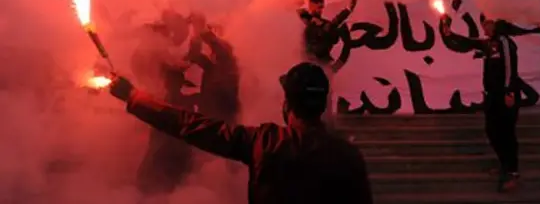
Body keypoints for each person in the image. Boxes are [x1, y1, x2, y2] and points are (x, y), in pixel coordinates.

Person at [107, 62, 373, 204]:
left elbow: (191, 125)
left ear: (287, 104)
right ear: (323, 105)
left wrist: (133, 96)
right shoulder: (348, 156)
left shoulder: (266, 142)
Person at [440, 15, 521, 192]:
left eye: (487, 24)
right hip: (492, 96)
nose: (484, 27)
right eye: (483, 24)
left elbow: (510, 68)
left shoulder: (505, 42)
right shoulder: (487, 44)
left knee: (507, 134)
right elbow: (468, 42)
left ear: (495, 24)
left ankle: (512, 172)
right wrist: (450, 34)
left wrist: (509, 91)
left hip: (506, 96)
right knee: (491, 131)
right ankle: (503, 164)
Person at [297, 0, 357, 69]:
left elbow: (335, 22)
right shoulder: (305, 24)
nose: (321, 10)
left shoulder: (322, 23)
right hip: (312, 65)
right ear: (312, 7)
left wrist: (349, 9)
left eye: (322, 7)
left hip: (323, 63)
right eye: (319, 7)